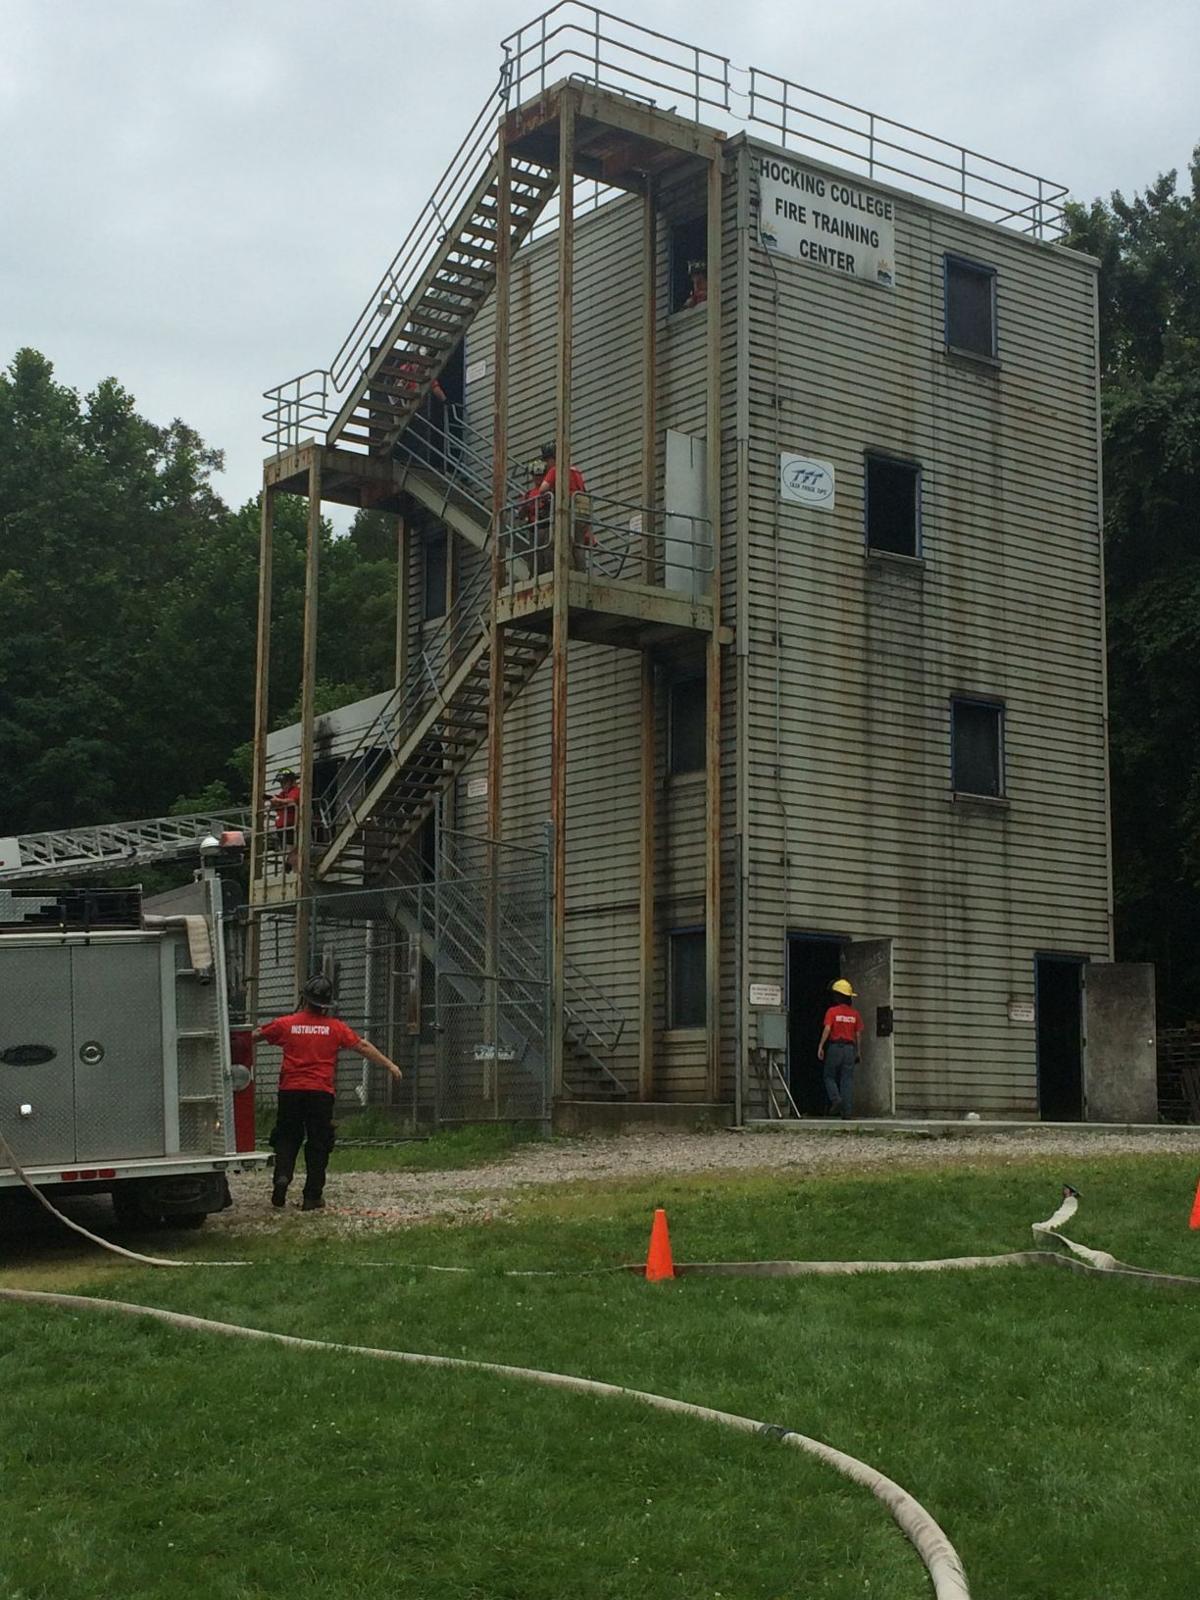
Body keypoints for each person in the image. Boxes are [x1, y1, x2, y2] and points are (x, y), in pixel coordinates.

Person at [254, 973, 404, 1212]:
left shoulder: (286, 1024)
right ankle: (312, 1196)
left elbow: (256, 1035)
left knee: (287, 1135)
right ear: (327, 1004)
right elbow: (362, 1046)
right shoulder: (336, 1028)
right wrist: (390, 1065)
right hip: (321, 1093)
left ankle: (282, 1176)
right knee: (319, 1142)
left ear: (304, 998)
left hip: (290, 1090)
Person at [532, 441, 593, 572]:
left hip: (568, 509)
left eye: (547, 460)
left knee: (555, 542)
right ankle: (581, 572)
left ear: (553, 458)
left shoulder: (556, 470)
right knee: (578, 545)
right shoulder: (576, 471)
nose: (546, 464)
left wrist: (551, 492)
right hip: (583, 510)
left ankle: (559, 571)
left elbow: (543, 490)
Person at [817, 978, 863, 1119]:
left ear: (837, 996)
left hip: (835, 1048)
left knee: (829, 1076)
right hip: (849, 1049)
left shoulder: (832, 1011)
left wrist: (820, 1046)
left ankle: (836, 1100)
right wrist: (858, 1051)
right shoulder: (855, 1014)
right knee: (847, 1080)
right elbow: (858, 1034)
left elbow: (827, 1028)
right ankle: (847, 1113)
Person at [268, 768, 300, 870]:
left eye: (284, 782)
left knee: (294, 849)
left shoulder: (295, 791)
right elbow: (273, 805)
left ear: (291, 781)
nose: (282, 785)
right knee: (289, 849)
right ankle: (289, 864)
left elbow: (292, 801)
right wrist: (274, 802)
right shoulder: (283, 794)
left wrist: (279, 801)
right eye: (281, 783)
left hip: (292, 826)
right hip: (282, 827)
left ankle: (291, 865)